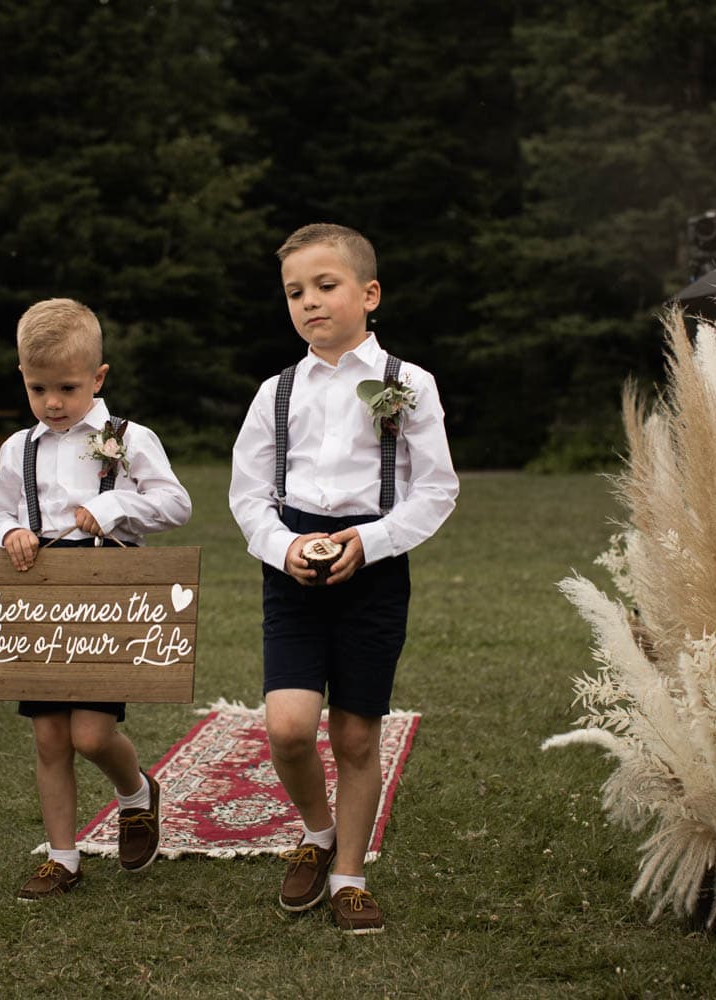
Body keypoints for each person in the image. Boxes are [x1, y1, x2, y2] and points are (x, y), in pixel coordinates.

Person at [228, 223, 458, 934]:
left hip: (375, 570)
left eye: (325, 286)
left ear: (369, 293)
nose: (310, 302)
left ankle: (350, 876)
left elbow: (437, 488)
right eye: (296, 292)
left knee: (357, 735)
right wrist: (281, 547)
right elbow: (245, 494)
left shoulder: (408, 385)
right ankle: (318, 831)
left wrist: (375, 539)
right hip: (293, 569)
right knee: (290, 727)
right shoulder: (275, 391)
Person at [0, 297, 192, 901]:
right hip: (41, 594)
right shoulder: (17, 448)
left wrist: (114, 505)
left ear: (97, 379)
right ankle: (63, 857)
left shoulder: (129, 438)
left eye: (67, 387)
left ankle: (135, 792)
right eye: (38, 387)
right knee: (49, 736)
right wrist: (8, 532)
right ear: (23, 377)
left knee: (91, 736)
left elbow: (176, 504)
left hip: (105, 592)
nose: (52, 402)